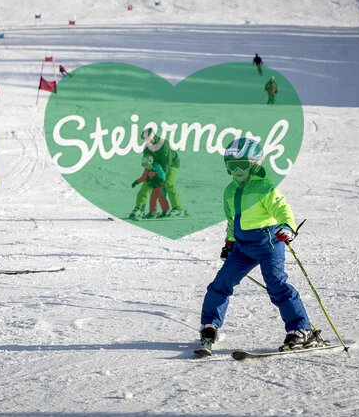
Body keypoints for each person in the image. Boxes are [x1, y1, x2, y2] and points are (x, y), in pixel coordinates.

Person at [195, 138, 324, 356]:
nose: (237, 170)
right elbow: (232, 220)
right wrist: (230, 243)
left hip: (269, 243)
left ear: (254, 164)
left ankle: (301, 329)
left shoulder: (264, 187)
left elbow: (282, 208)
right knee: (221, 283)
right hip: (243, 246)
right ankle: (210, 326)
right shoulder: (230, 191)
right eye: (231, 165)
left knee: (277, 285)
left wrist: (287, 227)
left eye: (242, 165)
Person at [129, 128, 185, 219]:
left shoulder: (164, 144)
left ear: (153, 136)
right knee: (147, 184)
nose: (146, 141)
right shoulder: (147, 147)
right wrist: (149, 174)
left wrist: (160, 178)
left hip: (171, 164)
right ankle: (139, 208)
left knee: (168, 183)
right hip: (155, 166)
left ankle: (178, 209)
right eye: (145, 139)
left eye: (147, 139)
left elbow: (167, 163)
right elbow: (147, 160)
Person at [130, 155, 169, 219]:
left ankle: (164, 211)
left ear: (151, 162)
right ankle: (153, 212)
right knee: (152, 199)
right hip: (154, 186)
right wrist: (136, 182)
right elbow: (143, 177)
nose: (146, 166)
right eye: (144, 165)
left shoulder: (157, 166)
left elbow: (162, 174)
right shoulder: (146, 170)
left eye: (147, 164)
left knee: (161, 198)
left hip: (161, 185)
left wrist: (161, 180)